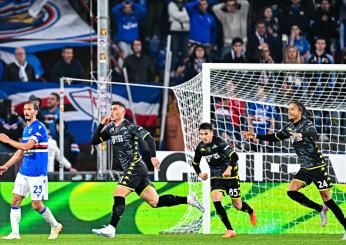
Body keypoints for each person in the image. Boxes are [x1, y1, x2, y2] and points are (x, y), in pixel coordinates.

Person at [90, 101, 204, 239]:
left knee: (119, 192)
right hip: (133, 169)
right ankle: (188, 199)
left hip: (135, 166)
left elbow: (149, 138)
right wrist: (102, 124)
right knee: (155, 202)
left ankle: (111, 228)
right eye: (111, 109)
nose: (112, 111)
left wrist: (153, 157)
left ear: (123, 112)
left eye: (115, 109)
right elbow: (94, 141)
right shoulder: (110, 129)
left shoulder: (130, 127)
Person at [242, 100, 346, 240]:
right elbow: (275, 137)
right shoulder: (289, 127)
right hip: (305, 168)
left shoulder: (306, 123)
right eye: (288, 109)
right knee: (291, 191)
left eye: (292, 109)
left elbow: (313, 133)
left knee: (328, 199)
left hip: (317, 166)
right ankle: (319, 208)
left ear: (299, 111)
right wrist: (255, 135)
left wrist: (301, 135)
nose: (289, 111)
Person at [0, 101, 62, 240]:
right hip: (24, 172)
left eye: (29, 109)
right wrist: (6, 166)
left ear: (36, 112)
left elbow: (27, 146)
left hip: (37, 173)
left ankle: (55, 225)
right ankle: (15, 233)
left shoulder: (39, 127)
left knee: (36, 205)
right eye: (24, 109)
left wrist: (8, 140)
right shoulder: (26, 128)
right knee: (15, 200)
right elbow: (21, 151)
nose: (26, 112)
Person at [192, 122, 256, 238]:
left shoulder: (219, 142)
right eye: (201, 134)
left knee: (238, 205)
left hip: (231, 176)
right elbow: (195, 163)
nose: (203, 137)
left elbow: (235, 156)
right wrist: (200, 174)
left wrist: (229, 169)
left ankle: (251, 211)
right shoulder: (200, 148)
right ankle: (230, 229)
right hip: (216, 176)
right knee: (215, 198)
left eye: (206, 134)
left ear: (211, 133)